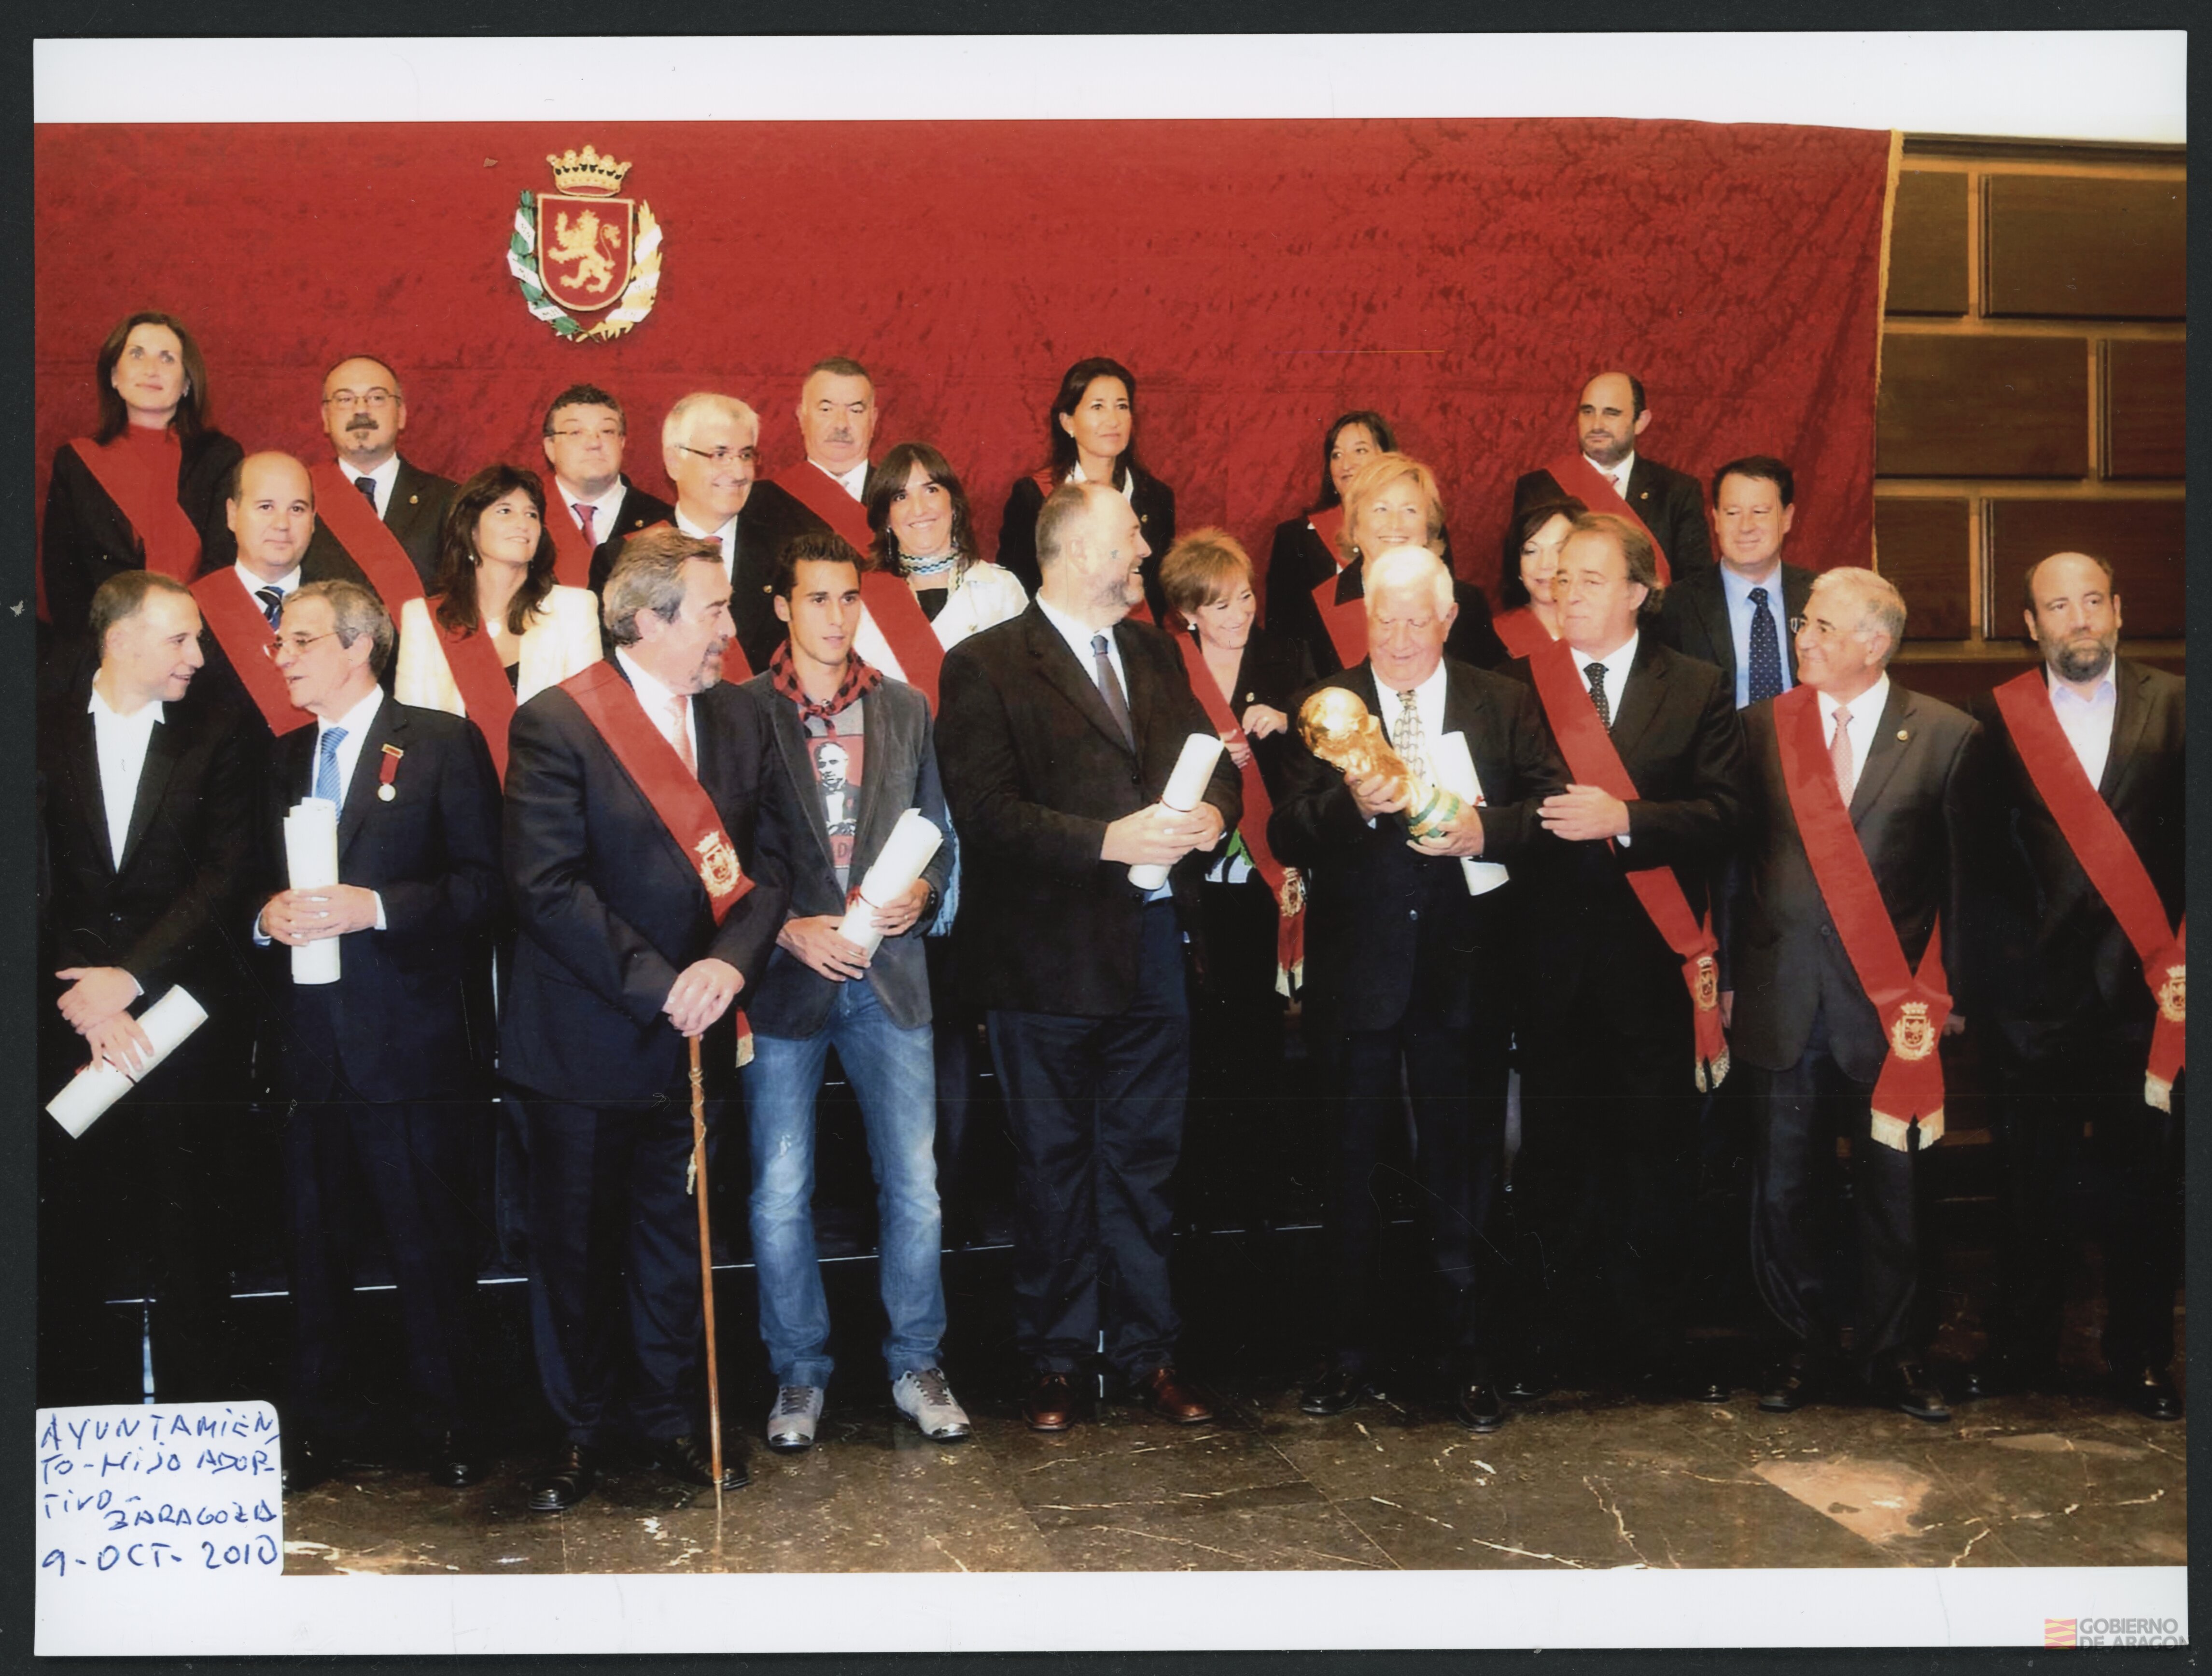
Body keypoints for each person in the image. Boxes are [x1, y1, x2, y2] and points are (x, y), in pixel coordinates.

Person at [501, 528, 793, 1511]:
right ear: (645, 620)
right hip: (587, 1039)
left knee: (678, 1239)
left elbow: (771, 868)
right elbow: (545, 887)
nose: (729, 629)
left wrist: (727, 964)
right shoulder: (557, 723)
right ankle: (574, 1434)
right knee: (575, 1251)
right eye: (712, 610)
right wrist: (661, 982)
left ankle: (674, 1420)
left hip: (698, 1032)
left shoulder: (742, 716)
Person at [938, 480, 1238, 1432]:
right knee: (1053, 1167)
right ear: (1074, 552)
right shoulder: (984, 664)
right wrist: (1110, 841)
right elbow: (986, 814)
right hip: (1043, 963)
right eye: (1130, 536)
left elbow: (1214, 762)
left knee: (1146, 1163)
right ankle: (1057, 1359)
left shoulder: (1155, 649)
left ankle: (1150, 1353)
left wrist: (1213, 814)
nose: (1146, 549)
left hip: (1152, 951)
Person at [1269, 545, 1566, 1432]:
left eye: (1415, 620)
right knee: (1348, 1169)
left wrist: (1485, 831)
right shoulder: (1327, 705)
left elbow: (1549, 809)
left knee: (1463, 1169)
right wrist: (1353, 805)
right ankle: (1346, 1354)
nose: (1398, 638)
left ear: (1447, 619)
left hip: (1464, 978)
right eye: (1383, 620)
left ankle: (1468, 1359)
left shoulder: (1501, 700)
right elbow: (1285, 831)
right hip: (1356, 984)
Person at [250, 580, 504, 1490]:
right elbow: (249, 883)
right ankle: (317, 1431)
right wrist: (264, 917)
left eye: (301, 640)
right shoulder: (280, 758)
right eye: (281, 642)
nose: (282, 657)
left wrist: (380, 906)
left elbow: (487, 887)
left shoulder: (438, 743)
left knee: (426, 1247)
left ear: (360, 646)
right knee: (312, 1253)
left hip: (411, 1050)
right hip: (308, 1052)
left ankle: (452, 1425)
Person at [1504, 513, 1746, 1403]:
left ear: (1639, 591)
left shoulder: (1696, 684)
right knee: (1554, 1157)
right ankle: (1551, 1340)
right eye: (1561, 576)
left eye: (1590, 578)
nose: (1567, 592)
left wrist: (1629, 820)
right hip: (1548, 963)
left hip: (1651, 965)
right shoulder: (1515, 684)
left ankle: (1650, 1343)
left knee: (1652, 1156)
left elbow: (1726, 813)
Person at [1728, 568, 1980, 1423]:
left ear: (1874, 644)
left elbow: (1963, 880)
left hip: (1891, 1008)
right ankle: (1795, 1345)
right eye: (1805, 623)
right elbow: (1736, 865)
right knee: (1782, 1185)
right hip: (1783, 996)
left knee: (1896, 1189)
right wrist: (1729, 980)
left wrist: (1950, 997)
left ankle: (1894, 1352)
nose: (1801, 637)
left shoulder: (1946, 735)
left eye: (1820, 627)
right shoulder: (1760, 728)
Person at [736, 533, 966, 1453]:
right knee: (778, 1192)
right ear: (781, 606)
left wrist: (925, 893)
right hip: (786, 982)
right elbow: (720, 849)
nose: (835, 617)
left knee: (916, 1186)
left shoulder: (903, 707)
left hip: (890, 980)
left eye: (847, 598)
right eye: (816, 598)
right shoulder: (742, 710)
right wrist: (783, 927)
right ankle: (798, 1373)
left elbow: (938, 834)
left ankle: (917, 1363)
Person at [1968, 552, 2184, 1420]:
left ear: (2119, 609)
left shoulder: (2178, 704)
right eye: (2058, 606)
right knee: (2028, 1186)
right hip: (2034, 1003)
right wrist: (1997, 988)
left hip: (2149, 1000)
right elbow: (1978, 866)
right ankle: (2019, 1349)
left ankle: (2140, 1359)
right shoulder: (1994, 717)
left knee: (2147, 1189)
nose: (2079, 617)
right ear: (2030, 625)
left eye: (2092, 599)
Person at [36, 571, 252, 1407]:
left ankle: (202, 1418)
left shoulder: (219, 729)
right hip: (69, 1020)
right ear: (120, 639)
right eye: (180, 639)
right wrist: (87, 996)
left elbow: (225, 874)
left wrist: (129, 978)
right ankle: (76, 1425)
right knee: (71, 1236)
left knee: (192, 1232)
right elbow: (37, 877)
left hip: (181, 1024)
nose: (197, 656)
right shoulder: (40, 726)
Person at [1159, 529, 1316, 1231]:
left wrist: (1289, 720)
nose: (1239, 614)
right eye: (1220, 604)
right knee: (1196, 1031)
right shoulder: (1165, 662)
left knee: (1256, 1030)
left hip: (1262, 874)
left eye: (1245, 596)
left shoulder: (1284, 657)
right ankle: (1199, 1187)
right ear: (1188, 612)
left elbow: (1323, 742)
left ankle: (1259, 1190)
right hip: (1189, 877)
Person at [41, 310, 243, 646]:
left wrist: (184, 643)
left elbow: (224, 564)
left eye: (167, 358)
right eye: (137, 354)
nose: (151, 369)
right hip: (106, 648)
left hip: (197, 644)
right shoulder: (75, 462)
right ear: (114, 376)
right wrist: (103, 654)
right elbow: (64, 579)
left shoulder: (220, 456)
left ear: (187, 383)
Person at [393, 464, 603, 774]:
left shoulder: (574, 609)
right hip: (452, 791)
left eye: (532, 514)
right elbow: (412, 732)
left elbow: (588, 724)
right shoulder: (425, 618)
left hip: (545, 788)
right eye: (505, 511)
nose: (523, 524)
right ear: (471, 530)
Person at [189, 452, 350, 754]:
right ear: (232, 514)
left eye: (297, 509)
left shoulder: (345, 609)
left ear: (314, 521)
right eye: (266, 507)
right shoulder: (190, 611)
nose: (282, 524)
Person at [729, 358, 883, 671]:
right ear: (802, 416)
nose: (841, 424)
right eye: (826, 409)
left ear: (874, 419)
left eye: (856, 410)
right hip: (785, 685)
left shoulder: (903, 501)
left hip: (891, 685)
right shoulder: (756, 505)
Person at [995, 357, 1176, 618]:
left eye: (1122, 407)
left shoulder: (1157, 498)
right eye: (1098, 407)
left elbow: (1161, 595)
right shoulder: (1034, 497)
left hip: (1137, 637)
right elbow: (1016, 591)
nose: (1113, 420)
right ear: (1068, 422)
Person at [1304, 452, 1505, 676]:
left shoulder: (1466, 602)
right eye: (1381, 509)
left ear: (1428, 529)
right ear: (1355, 527)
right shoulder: (1317, 608)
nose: (1395, 524)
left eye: (1410, 510)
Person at [1513, 371, 1712, 582]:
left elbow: (1695, 584)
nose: (1596, 425)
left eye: (1611, 413)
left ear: (1640, 421)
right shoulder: (1538, 488)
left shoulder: (1677, 492)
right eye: (1588, 412)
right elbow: (1520, 581)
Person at [1653, 456, 1817, 708]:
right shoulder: (1675, 607)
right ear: (1716, 520)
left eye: (1760, 512)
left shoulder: (1820, 597)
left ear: (1787, 518)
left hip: (1804, 732)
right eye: (1732, 513)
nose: (1746, 527)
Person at [298, 354, 457, 599]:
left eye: (377, 398)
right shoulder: (298, 497)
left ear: (401, 414)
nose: (361, 410)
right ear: (325, 417)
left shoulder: (450, 501)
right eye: (345, 399)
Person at [1264, 410, 1395, 674]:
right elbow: (1283, 637)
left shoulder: (1416, 529)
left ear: (1387, 458)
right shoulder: (1295, 538)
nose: (1346, 464)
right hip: (1324, 686)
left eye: (1360, 451)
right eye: (1337, 455)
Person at [864, 440, 1029, 648]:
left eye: (931, 490)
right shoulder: (864, 595)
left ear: (954, 506)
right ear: (887, 518)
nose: (919, 509)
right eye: (901, 496)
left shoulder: (1001, 589)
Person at [658, 391, 767, 682]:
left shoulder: (787, 552)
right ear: (674, 462)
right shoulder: (625, 557)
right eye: (720, 455)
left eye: (745, 455)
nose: (739, 472)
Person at [541, 383, 674, 592]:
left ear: (622, 442)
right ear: (550, 447)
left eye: (607, 431)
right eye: (576, 432)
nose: (594, 443)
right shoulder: (527, 516)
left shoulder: (662, 522)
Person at [1490, 496, 1583, 659]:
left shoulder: (1608, 630)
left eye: (1560, 550)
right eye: (1531, 551)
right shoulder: (1494, 637)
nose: (1545, 564)